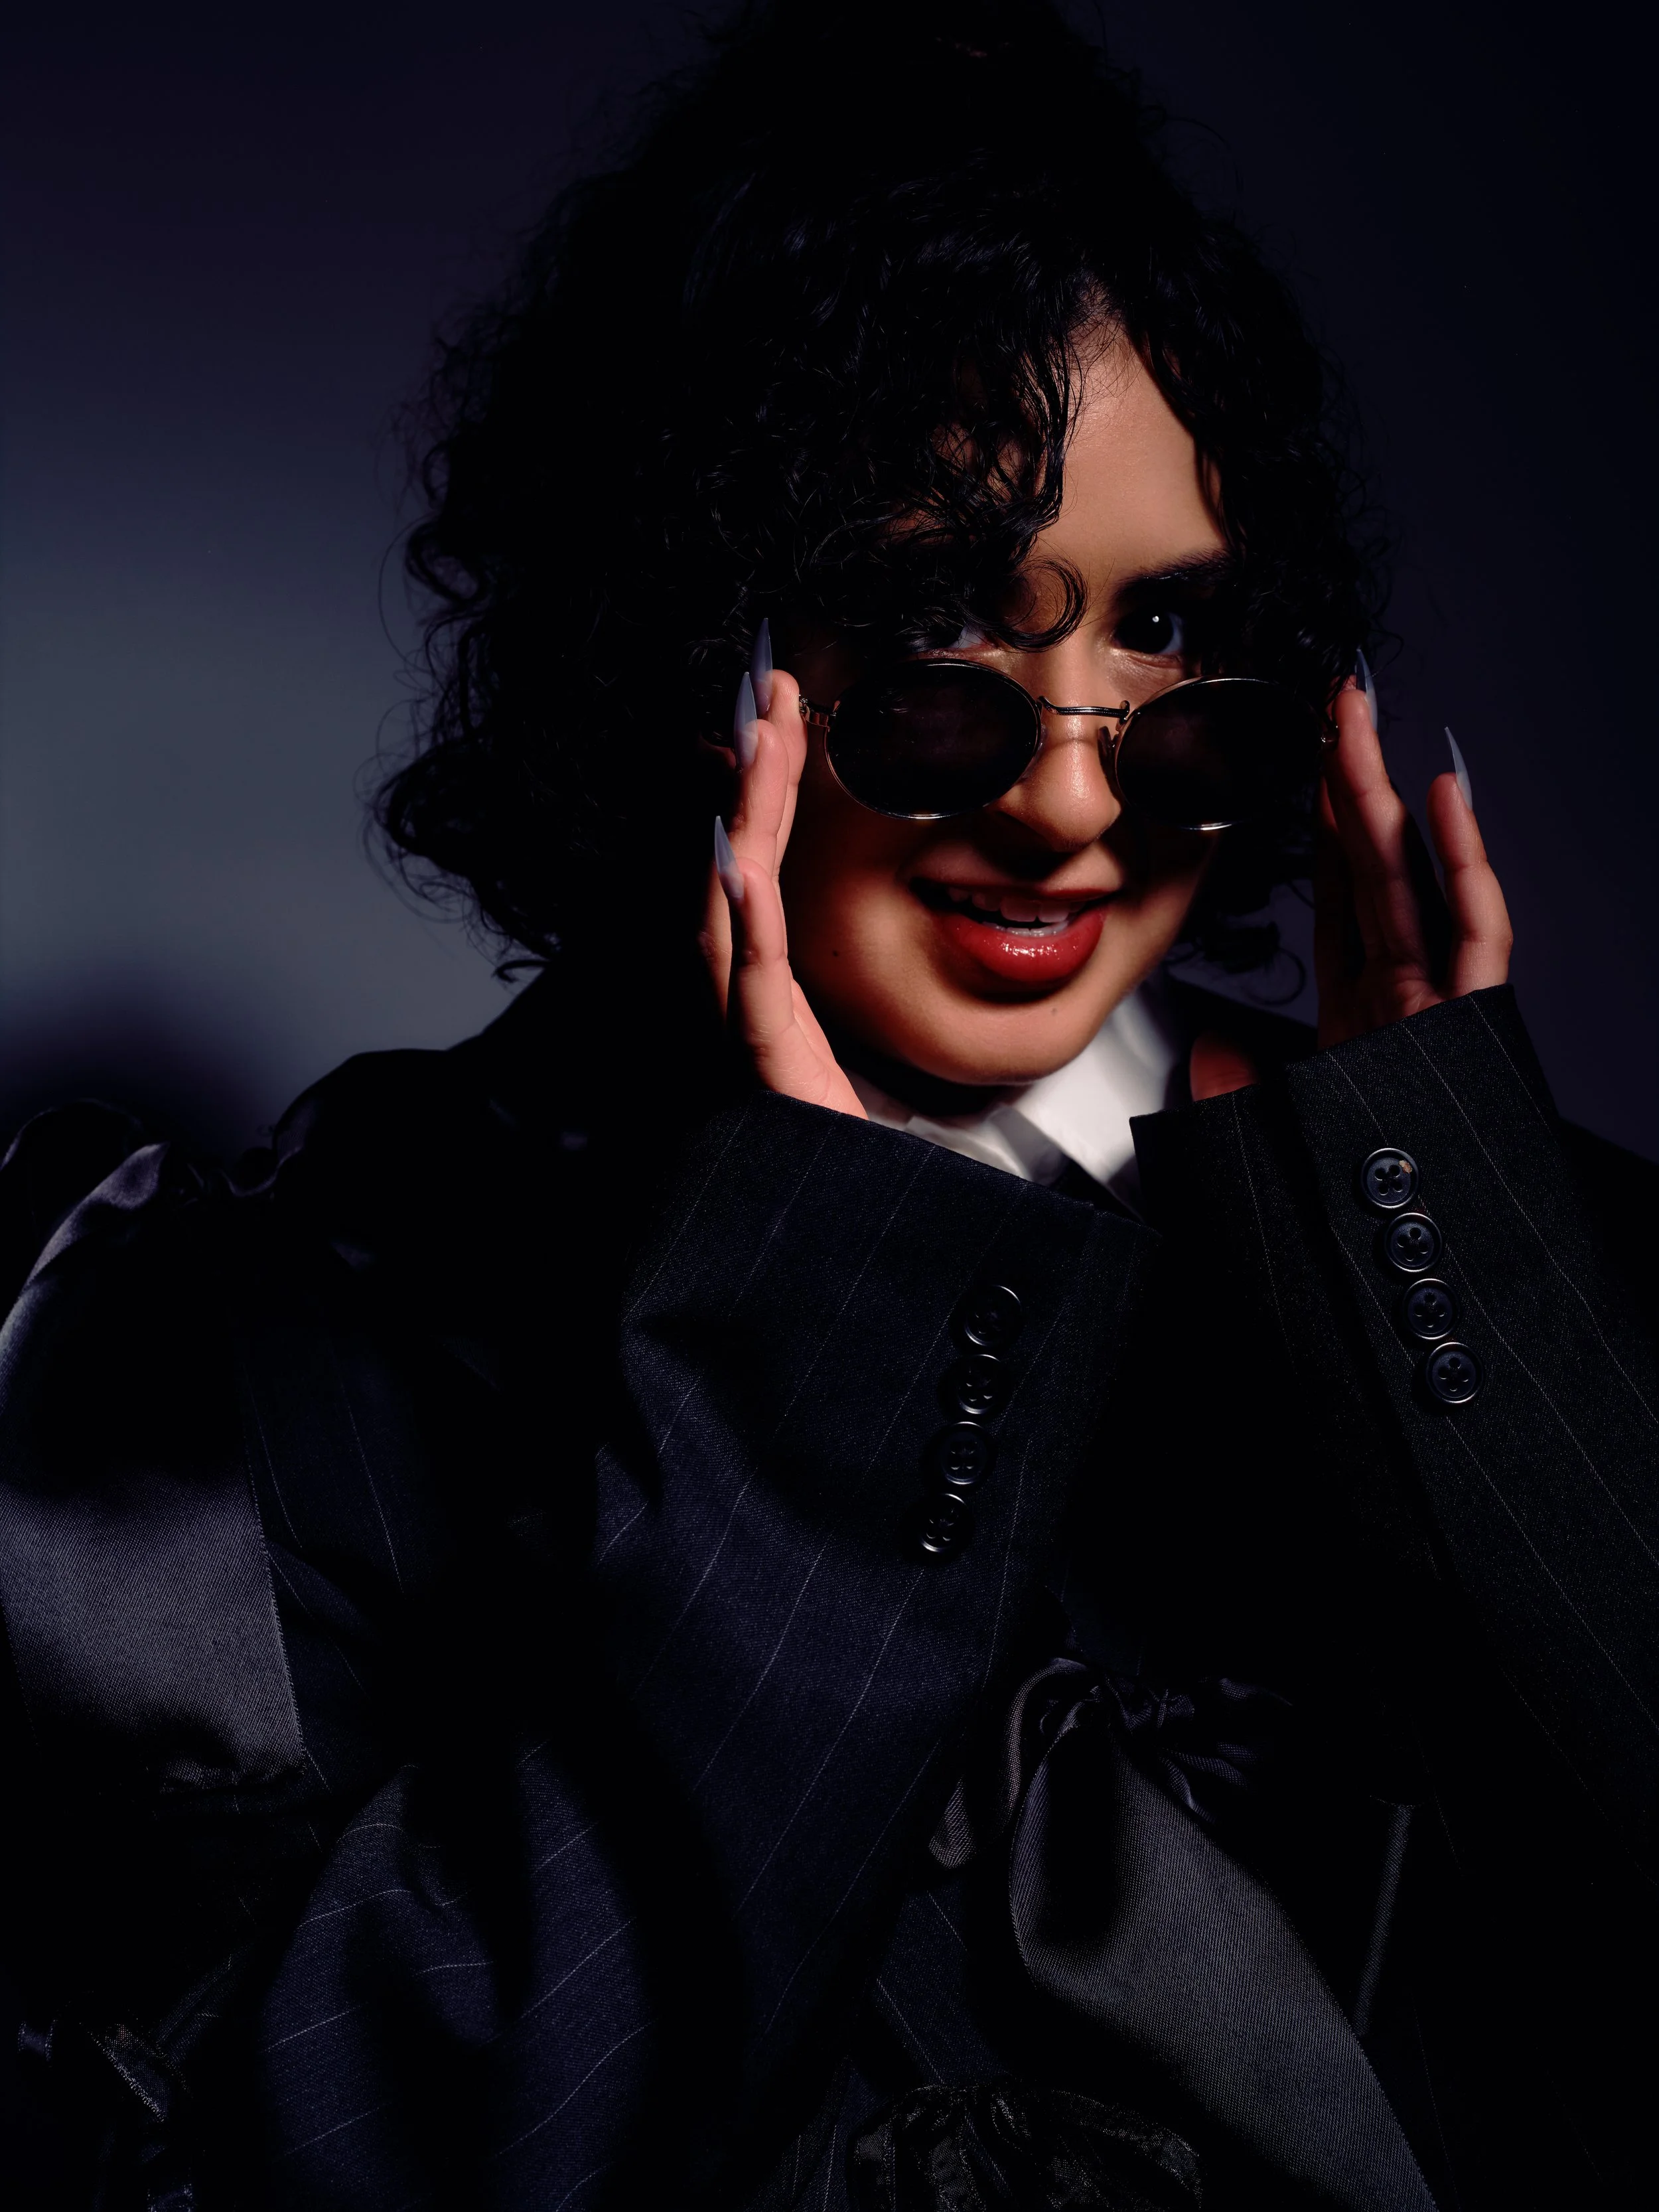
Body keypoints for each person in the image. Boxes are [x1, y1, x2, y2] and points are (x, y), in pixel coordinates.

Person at [3, 3, 1656, 2206]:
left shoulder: (1498, 1277)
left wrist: (1452, 1277)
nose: (1074, 799)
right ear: (702, 656)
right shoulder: (278, 1358)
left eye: (1167, 649)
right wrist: (817, 1372)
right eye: (948, 662)